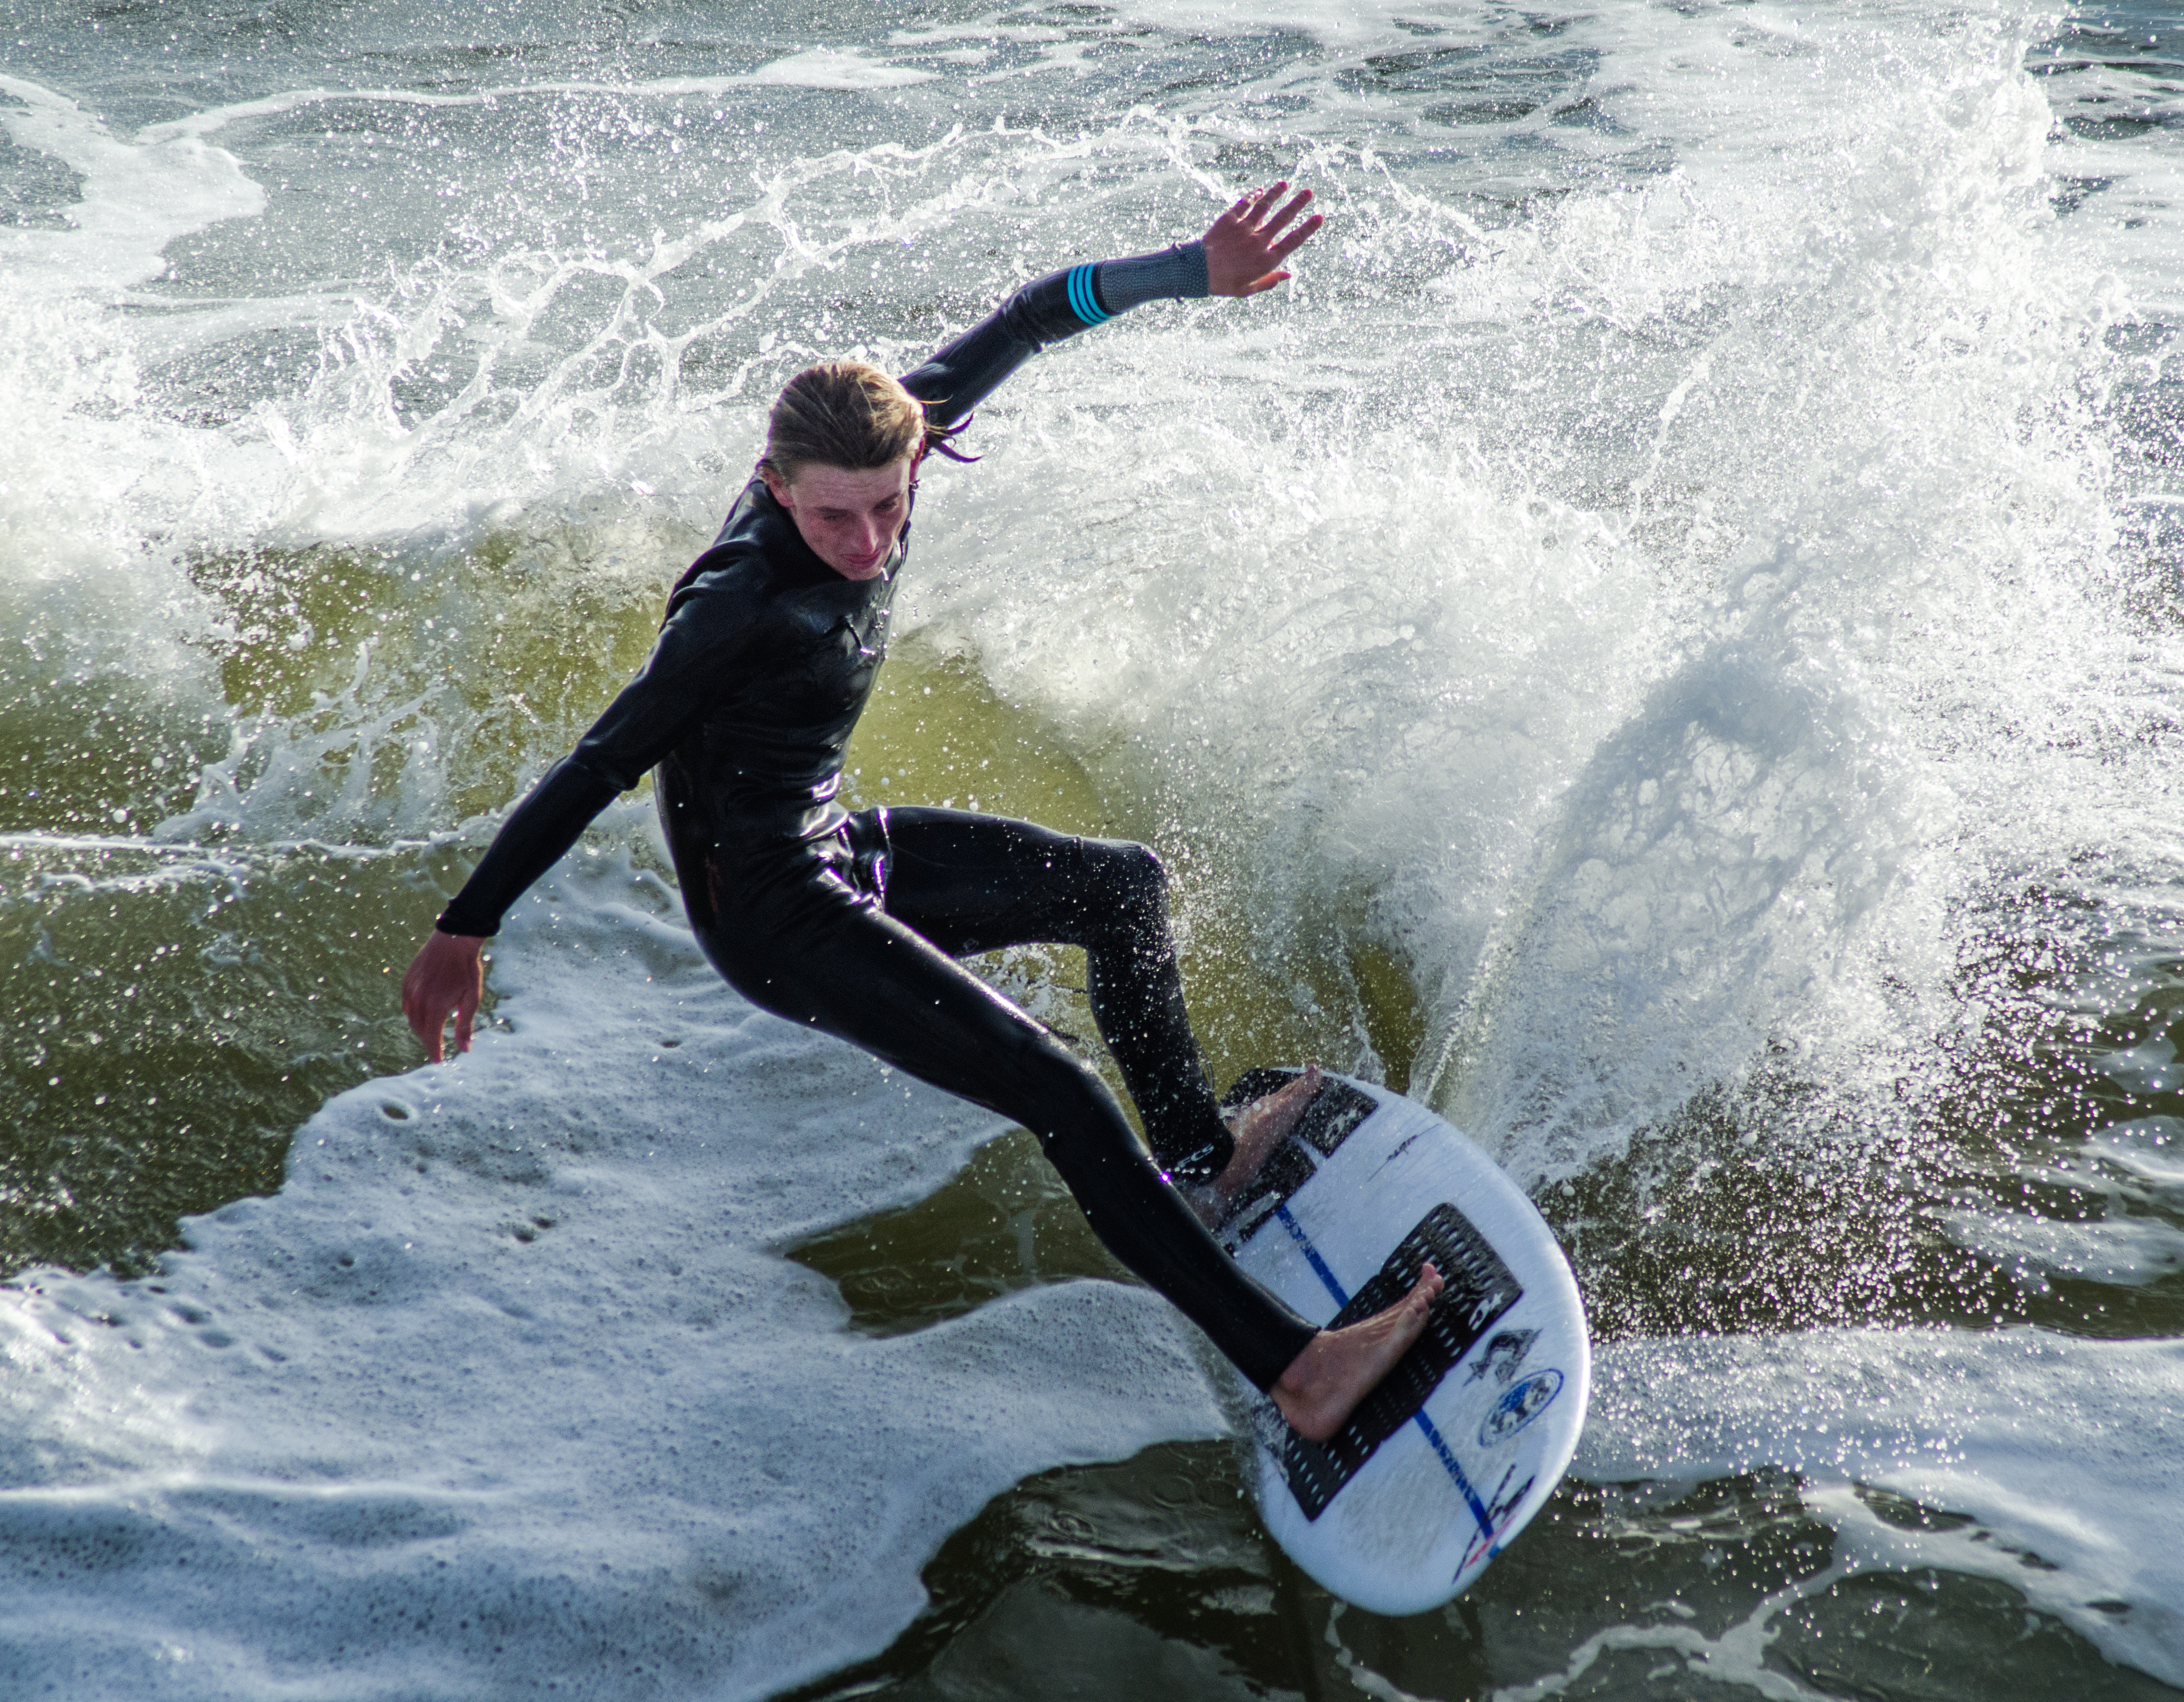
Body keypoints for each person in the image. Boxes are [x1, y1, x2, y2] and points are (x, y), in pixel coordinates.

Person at [401, 183, 1442, 1443]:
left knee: (1122, 887)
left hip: (838, 849)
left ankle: (1201, 1161)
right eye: (834, 514)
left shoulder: (897, 442)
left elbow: (1035, 313)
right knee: (1056, 1091)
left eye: (890, 504)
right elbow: (592, 766)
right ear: (774, 486)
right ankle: (1296, 1369)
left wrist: (1192, 270)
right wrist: (467, 928)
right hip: (778, 920)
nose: (868, 539)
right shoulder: (737, 607)